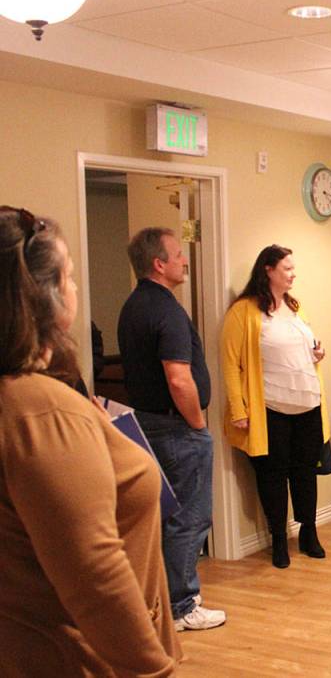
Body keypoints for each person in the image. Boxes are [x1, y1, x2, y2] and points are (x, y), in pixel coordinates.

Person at [0, 206, 181, 674]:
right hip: (82, 660)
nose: (76, 287)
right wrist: (153, 670)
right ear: (43, 296)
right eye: (70, 276)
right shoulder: (40, 410)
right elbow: (95, 575)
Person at [118, 227, 226, 632]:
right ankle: (182, 606)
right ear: (159, 264)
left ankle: (167, 602)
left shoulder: (133, 307)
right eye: (178, 255)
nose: (184, 261)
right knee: (189, 518)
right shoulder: (165, 310)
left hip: (147, 424)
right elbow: (178, 378)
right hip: (176, 428)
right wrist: (197, 423)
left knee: (166, 517)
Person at [221, 244, 331, 569]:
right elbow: (230, 364)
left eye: (293, 268)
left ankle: (309, 533)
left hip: (307, 405)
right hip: (271, 409)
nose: (293, 273)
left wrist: (315, 355)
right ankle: (279, 541)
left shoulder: (296, 307)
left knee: (305, 473)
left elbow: (299, 349)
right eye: (287, 268)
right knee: (272, 476)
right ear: (268, 269)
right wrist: (239, 410)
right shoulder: (243, 311)